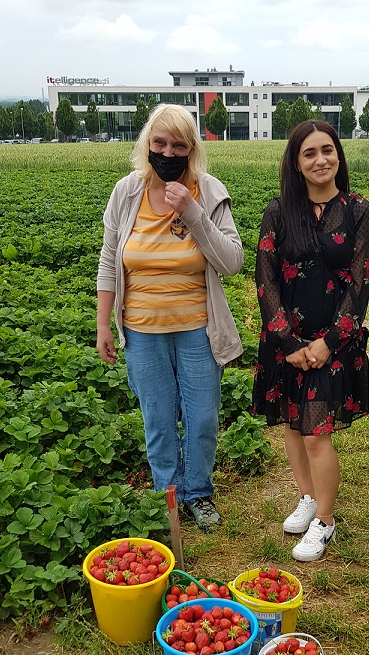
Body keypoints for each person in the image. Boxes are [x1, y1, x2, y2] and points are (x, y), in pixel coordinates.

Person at [96, 103, 243, 530]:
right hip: (142, 329)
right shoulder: (127, 193)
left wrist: (193, 214)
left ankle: (198, 493)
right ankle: (169, 493)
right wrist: (103, 323)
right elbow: (110, 260)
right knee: (158, 418)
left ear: (192, 149)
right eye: (159, 143)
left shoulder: (208, 191)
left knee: (201, 417)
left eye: (179, 145)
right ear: (147, 145)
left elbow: (231, 261)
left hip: (198, 327)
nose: (168, 152)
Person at [253, 120, 369, 561]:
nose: (321, 160)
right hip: (287, 343)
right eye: (309, 153)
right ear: (296, 162)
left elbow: (364, 278)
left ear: (339, 156)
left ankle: (325, 520)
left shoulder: (359, 209)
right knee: (293, 424)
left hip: (335, 341)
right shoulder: (278, 210)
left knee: (315, 434)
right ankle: (307, 496)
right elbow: (265, 275)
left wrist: (330, 341)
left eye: (328, 150)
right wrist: (287, 343)